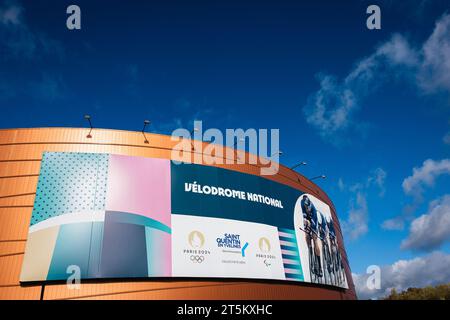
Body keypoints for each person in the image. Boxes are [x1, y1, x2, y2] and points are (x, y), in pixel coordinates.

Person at [301, 195, 322, 278]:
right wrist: (305, 221)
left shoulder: (313, 209)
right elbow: (304, 215)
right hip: (308, 219)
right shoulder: (302, 203)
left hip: (314, 220)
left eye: (307, 207)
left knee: (315, 239)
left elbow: (314, 222)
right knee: (306, 232)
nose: (306, 208)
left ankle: (320, 267)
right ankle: (309, 248)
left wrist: (312, 227)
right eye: (305, 207)